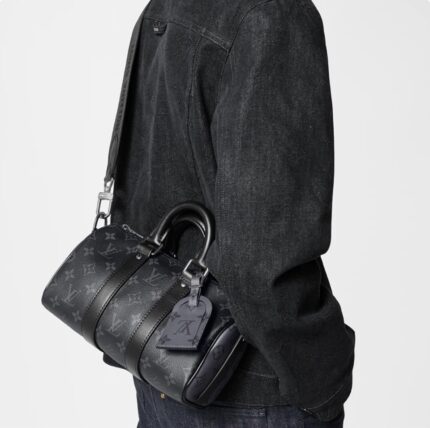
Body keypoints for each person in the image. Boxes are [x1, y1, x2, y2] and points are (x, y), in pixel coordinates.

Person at [104, 0, 355, 426]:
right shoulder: (273, 18)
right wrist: (321, 376)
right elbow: (261, 259)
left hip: (159, 358)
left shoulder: (167, 6)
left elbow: (136, 187)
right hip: (247, 383)